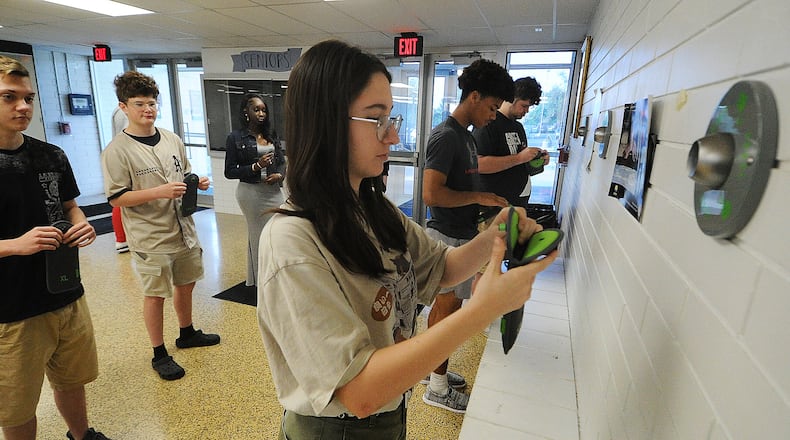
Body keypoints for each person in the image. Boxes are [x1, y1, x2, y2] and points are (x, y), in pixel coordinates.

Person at [256, 39, 556, 439]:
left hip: (390, 408)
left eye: (392, 118)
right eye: (376, 119)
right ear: (326, 122)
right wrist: (480, 313)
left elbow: (442, 267)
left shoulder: (373, 208)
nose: (393, 137)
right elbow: (358, 392)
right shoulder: (293, 241)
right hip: (338, 428)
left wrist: (497, 232)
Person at [0, 55, 110, 440]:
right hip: (12, 310)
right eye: (9, 98)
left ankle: (81, 434)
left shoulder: (51, 155)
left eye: (28, 98)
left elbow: (69, 207)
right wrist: (14, 245)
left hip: (64, 292)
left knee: (72, 379)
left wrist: (83, 227)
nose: (23, 107)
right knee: (17, 404)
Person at [101, 71, 220, 381]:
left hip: (184, 230)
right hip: (151, 236)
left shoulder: (171, 138)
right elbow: (116, 198)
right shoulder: (117, 151)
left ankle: (187, 332)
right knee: (155, 294)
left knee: (187, 282)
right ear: (123, 107)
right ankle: (159, 352)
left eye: (152, 103)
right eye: (139, 104)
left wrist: (198, 183)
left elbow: (185, 173)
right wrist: (159, 191)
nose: (147, 110)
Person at [420, 58, 514, 413]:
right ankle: (437, 388)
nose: (493, 115)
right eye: (491, 107)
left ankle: (432, 371)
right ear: (474, 97)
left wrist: (483, 206)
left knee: (450, 309)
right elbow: (431, 194)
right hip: (445, 236)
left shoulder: (466, 137)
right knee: (445, 311)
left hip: (460, 232)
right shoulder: (446, 137)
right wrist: (477, 197)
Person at [224, 93, 285, 287]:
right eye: (256, 109)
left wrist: (280, 176)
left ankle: (277, 273)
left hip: (273, 192)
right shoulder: (235, 137)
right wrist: (255, 167)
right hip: (250, 194)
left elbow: (282, 162)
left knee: (278, 231)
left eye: (264, 110)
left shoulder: (270, 135)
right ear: (246, 112)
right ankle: (262, 280)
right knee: (258, 235)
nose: (261, 113)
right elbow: (229, 171)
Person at [472, 76, 548, 209]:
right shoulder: (488, 123)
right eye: (524, 106)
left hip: (517, 202)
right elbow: (479, 164)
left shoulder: (518, 127)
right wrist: (519, 158)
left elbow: (521, 164)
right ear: (512, 98)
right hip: (493, 207)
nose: (526, 111)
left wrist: (537, 160)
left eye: (529, 107)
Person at [109, 106, 129, 253]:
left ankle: (121, 239)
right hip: (126, 157)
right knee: (122, 198)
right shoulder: (124, 112)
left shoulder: (117, 111)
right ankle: (121, 239)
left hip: (123, 155)